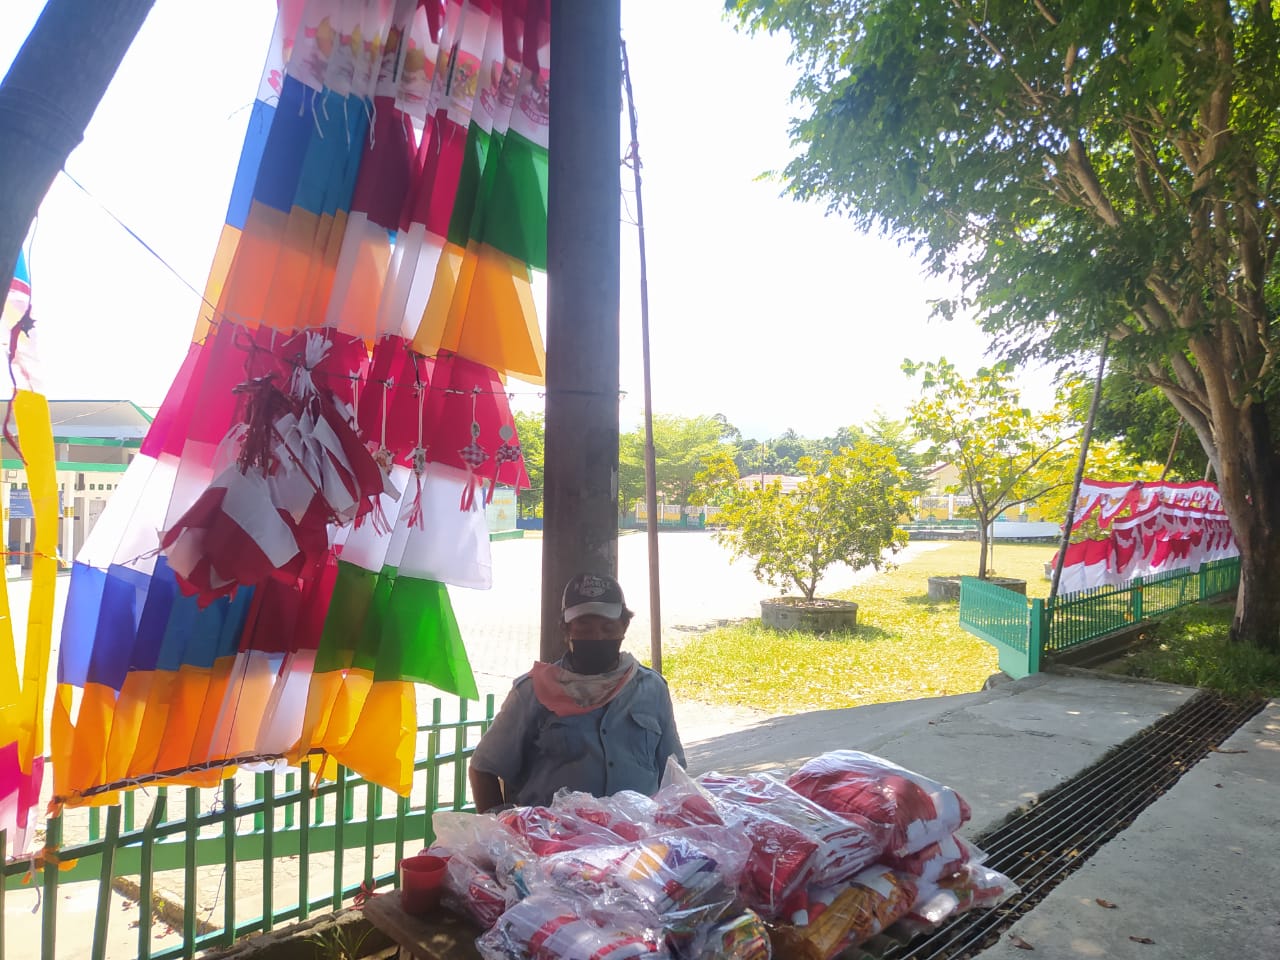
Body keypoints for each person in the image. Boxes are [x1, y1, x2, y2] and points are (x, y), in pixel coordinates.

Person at [468, 572, 685, 812]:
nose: (597, 637)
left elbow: (675, 774)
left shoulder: (652, 688)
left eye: (607, 627)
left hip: (638, 833)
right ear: (566, 629)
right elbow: (483, 769)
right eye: (584, 627)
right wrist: (501, 827)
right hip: (555, 835)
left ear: (624, 626)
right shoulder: (533, 692)